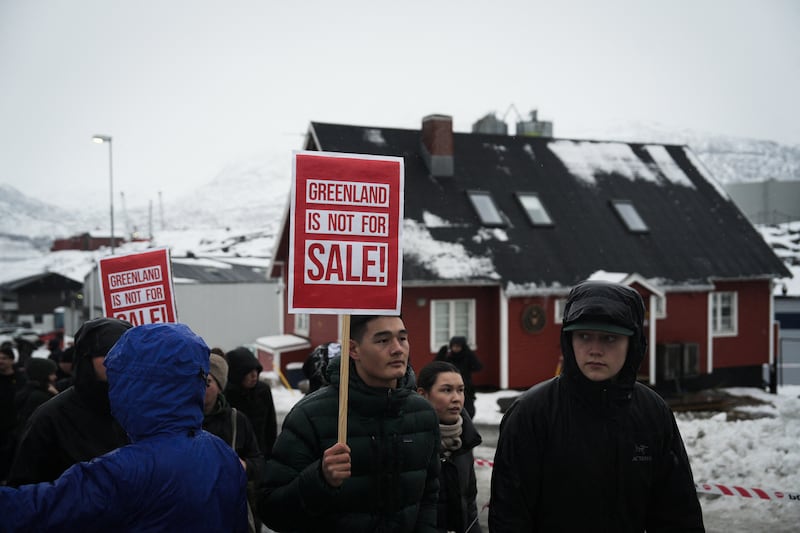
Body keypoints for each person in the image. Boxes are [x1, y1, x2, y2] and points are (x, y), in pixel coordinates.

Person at [489, 280, 705, 532]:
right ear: (568, 340)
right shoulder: (532, 413)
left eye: (609, 338)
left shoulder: (652, 413)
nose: (595, 350)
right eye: (584, 336)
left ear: (632, 343)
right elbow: (509, 515)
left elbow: (678, 513)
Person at [0, 322, 249, 531]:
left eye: (118, 379)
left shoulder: (124, 471)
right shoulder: (222, 453)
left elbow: (34, 509)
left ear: (134, 389)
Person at [257, 314, 441, 532]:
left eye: (402, 338)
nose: (397, 349)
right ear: (353, 349)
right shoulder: (310, 416)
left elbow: (430, 499)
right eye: (383, 340)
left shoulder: (423, 414)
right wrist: (320, 479)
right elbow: (271, 510)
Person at [6, 317, 132, 486]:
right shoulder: (50, 417)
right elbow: (24, 491)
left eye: (128, 351)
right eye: (107, 351)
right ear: (86, 357)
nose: (118, 358)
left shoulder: (146, 408)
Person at [417, 360, 483, 533]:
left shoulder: (465, 440)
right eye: (446, 390)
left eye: (460, 390)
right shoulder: (410, 440)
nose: (456, 398)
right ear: (423, 394)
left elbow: (469, 504)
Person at [203, 352, 264, 533]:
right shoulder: (181, 420)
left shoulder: (236, 420)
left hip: (228, 508)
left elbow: (259, 460)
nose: (200, 388)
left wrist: (245, 466)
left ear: (220, 387)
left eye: (207, 383)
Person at [225, 346, 278, 458]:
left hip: (261, 454)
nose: (254, 375)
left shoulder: (263, 391)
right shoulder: (226, 396)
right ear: (237, 374)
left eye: (256, 370)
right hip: (236, 457)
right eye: (248, 372)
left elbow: (271, 426)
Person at [435, 336, 483, 418]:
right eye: (454, 346)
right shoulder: (449, 358)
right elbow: (436, 366)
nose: (455, 348)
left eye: (458, 346)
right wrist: (441, 354)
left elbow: (478, 367)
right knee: (451, 408)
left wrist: (470, 354)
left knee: (468, 411)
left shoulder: (467, 357)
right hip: (449, 387)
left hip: (465, 388)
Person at [0, 345, 26, 482]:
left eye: (4, 358)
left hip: (16, 425)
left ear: (11, 360)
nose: (1, 361)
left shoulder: (21, 378)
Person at [14, 357, 58, 429]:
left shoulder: (27, 391)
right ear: (43, 375)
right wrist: (56, 395)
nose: (55, 377)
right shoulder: (39, 397)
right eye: (52, 374)